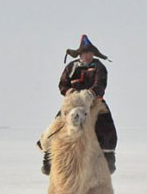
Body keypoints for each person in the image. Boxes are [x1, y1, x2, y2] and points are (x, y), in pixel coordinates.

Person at [41, 35, 118, 175]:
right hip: (73, 103)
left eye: (90, 53)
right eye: (85, 53)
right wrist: (69, 91)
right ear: (80, 54)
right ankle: (48, 158)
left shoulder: (99, 67)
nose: (88, 56)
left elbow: (101, 84)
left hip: (94, 102)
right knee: (56, 125)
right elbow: (62, 84)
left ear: (93, 54)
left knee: (107, 125)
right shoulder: (71, 66)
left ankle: (108, 157)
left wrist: (91, 93)